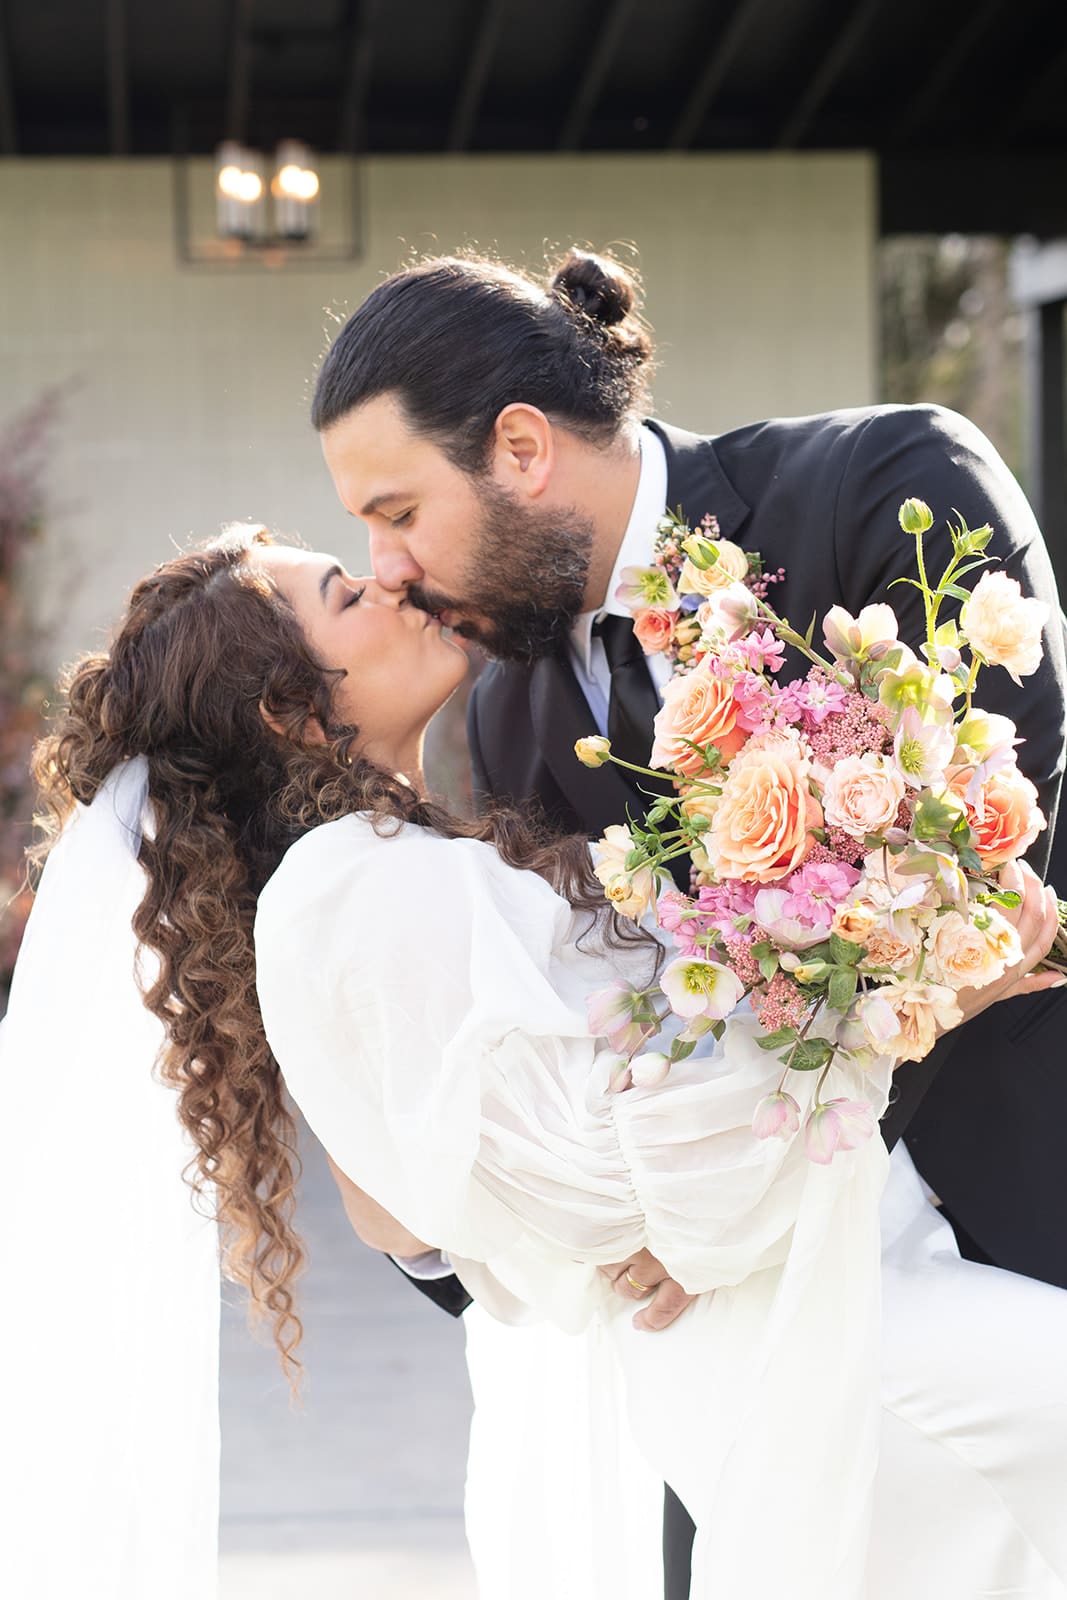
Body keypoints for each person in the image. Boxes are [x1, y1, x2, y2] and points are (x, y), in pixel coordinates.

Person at [15, 525, 1064, 1599]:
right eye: (340, 592)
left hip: (830, 1283)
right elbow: (620, 1184)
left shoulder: (396, 867)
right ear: (286, 708)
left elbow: (441, 1205)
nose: (384, 579)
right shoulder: (352, 885)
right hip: (802, 1330)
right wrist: (933, 994)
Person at [310, 246, 1067, 1596]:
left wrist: (708, 1190)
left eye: (397, 512)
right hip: (751, 1382)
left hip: (1022, 1252)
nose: (389, 570)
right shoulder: (492, 727)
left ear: (523, 448)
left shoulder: (886, 489)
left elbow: (993, 889)